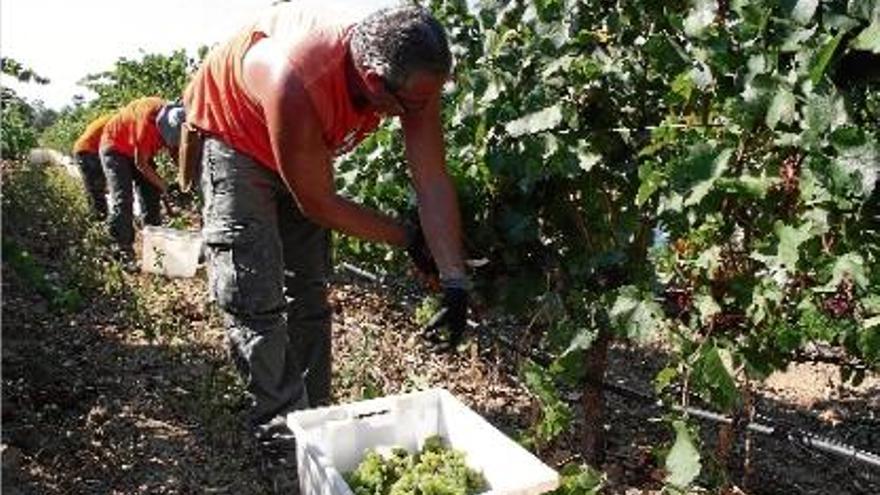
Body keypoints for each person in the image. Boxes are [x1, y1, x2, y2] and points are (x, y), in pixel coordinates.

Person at [183, 2, 467, 491]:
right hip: (237, 137)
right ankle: (284, 446)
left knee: (308, 289)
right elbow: (316, 202)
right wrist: (407, 238)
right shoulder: (295, 77)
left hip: (304, 142)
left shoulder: (416, 79)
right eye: (415, 105)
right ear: (374, 81)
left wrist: (454, 276)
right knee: (255, 300)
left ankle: (314, 426)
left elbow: (432, 179)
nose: (422, 112)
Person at [99, 97, 184, 260]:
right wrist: (166, 187)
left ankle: (156, 252)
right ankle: (122, 249)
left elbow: (176, 153)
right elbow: (141, 164)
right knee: (123, 198)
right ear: (160, 128)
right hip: (115, 146)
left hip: (137, 149)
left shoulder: (176, 117)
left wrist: (183, 181)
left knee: (151, 194)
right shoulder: (146, 124)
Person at [72, 113, 112, 219]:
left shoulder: (110, 117)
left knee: (95, 190)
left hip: (86, 150)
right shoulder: (117, 121)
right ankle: (100, 221)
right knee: (96, 190)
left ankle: (98, 219)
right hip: (88, 151)